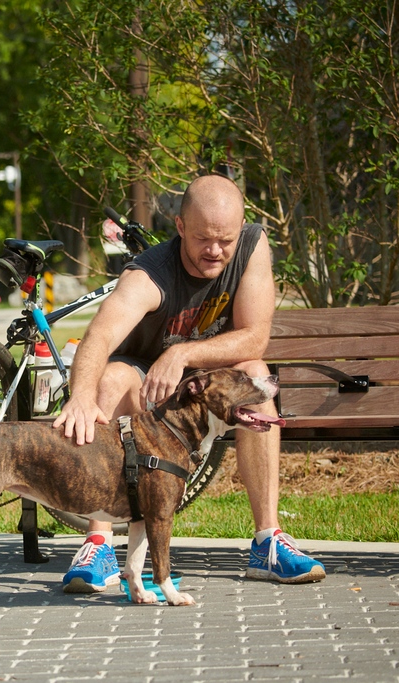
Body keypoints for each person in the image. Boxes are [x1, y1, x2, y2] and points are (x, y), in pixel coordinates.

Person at [51, 174, 326, 593]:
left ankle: (268, 541)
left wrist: (181, 354)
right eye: (202, 239)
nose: (215, 250)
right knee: (109, 379)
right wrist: (82, 396)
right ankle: (99, 543)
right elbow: (101, 334)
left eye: (225, 239)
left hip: (208, 373)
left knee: (255, 372)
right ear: (180, 227)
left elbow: (255, 335)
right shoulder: (149, 274)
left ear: (240, 229)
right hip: (144, 377)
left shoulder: (251, 246)